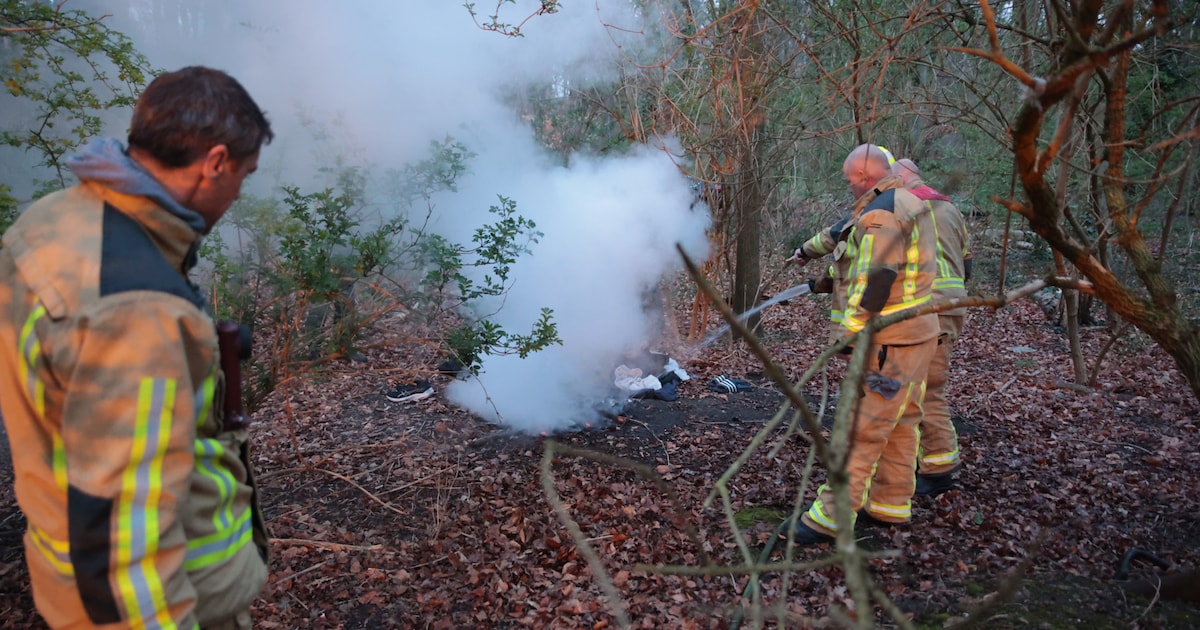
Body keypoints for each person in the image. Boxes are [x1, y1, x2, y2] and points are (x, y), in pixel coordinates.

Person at [0, 66, 273, 629]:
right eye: (244, 173)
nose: (239, 190)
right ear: (215, 162)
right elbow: (126, 541)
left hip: (66, 577)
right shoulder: (136, 311)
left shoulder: (53, 222)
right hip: (167, 603)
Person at [787, 144, 940, 544]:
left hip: (888, 340)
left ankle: (829, 519)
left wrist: (850, 333)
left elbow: (878, 278)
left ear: (862, 178)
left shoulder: (881, 214)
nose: (847, 185)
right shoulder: (906, 200)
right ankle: (890, 504)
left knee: (861, 428)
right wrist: (825, 277)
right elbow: (859, 253)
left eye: (848, 179)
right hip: (917, 335)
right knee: (902, 422)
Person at [893, 158, 971, 496]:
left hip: (926, 307)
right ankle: (927, 457)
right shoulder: (950, 208)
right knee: (921, 386)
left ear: (901, 177)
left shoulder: (903, 208)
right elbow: (966, 261)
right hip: (953, 305)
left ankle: (939, 469)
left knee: (926, 389)